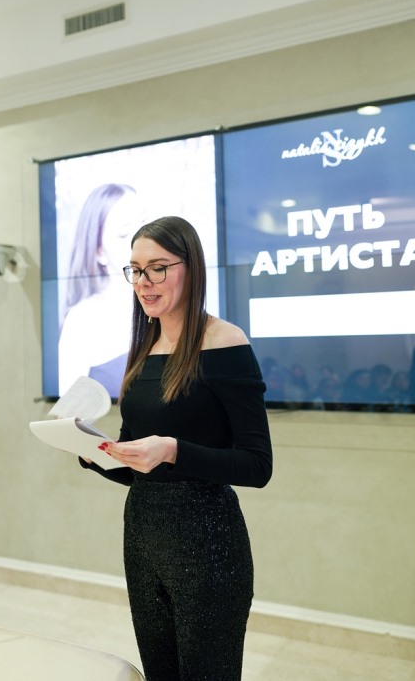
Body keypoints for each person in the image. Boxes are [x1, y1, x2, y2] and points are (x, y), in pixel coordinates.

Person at [79, 215, 273, 681]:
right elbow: (136, 468)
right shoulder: (143, 348)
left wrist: (173, 450)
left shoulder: (225, 342)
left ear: (192, 268)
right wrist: (93, 452)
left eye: (158, 268)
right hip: (143, 539)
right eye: (135, 270)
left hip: (207, 544)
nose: (143, 282)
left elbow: (257, 465)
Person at [58, 183, 144, 397]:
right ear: (98, 251)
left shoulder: (175, 305)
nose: (141, 242)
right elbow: (68, 411)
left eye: (145, 228)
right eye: (124, 233)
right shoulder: (82, 320)